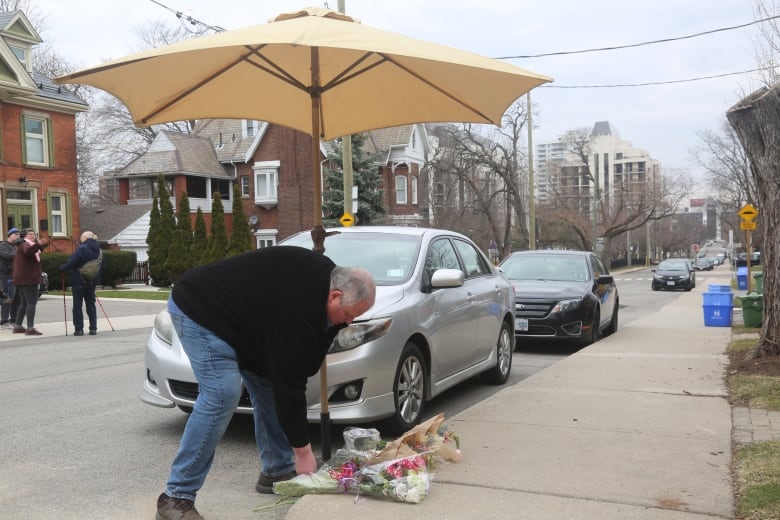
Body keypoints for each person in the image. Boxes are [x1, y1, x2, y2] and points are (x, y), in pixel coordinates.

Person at [155, 246, 376, 520]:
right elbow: (291, 383)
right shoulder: (297, 308)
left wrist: (331, 329)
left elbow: (302, 364)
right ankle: (176, 497)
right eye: (348, 315)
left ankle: (277, 469)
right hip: (200, 310)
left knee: (268, 387)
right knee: (222, 394)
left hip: (247, 328)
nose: (349, 322)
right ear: (335, 295)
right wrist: (303, 452)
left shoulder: (324, 285)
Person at [59, 231, 103, 336]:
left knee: (77, 305)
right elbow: (102, 266)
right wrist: (95, 278)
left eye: (81, 236)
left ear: (85, 238)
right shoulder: (99, 251)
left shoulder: (82, 248)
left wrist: (62, 268)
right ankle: (93, 328)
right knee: (91, 305)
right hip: (92, 282)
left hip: (78, 280)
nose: (80, 238)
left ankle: (79, 329)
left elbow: (72, 262)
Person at [12, 228, 49, 336]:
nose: (32, 236)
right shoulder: (24, 244)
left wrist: (41, 245)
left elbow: (34, 250)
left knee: (24, 302)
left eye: (33, 234)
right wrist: (39, 244)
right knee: (31, 302)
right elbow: (28, 251)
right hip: (28, 278)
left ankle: (18, 326)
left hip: (22, 278)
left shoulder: (26, 244)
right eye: (29, 234)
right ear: (24, 236)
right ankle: (30, 328)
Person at [0, 228, 19, 328]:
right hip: (6, 276)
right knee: (8, 298)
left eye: (18, 234)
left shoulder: (16, 246)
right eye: (15, 234)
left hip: (16, 275)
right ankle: (4, 321)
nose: (17, 236)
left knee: (16, 299)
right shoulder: (3, 245)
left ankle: (14, 320)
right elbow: (7, 256)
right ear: (9, 235)